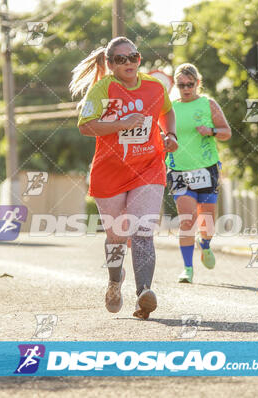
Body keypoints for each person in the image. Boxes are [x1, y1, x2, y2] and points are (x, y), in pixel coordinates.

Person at [71, 36, 177, 319]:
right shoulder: (102, 90)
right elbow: (85, 126)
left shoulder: (154, 87)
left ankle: (144, 293)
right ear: (110, 64)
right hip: (110, 173)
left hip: (149, 166)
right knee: (117, 236)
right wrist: (120, 124)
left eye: (133, 57)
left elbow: (168, 111)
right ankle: (115, 281)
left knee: (143, 231)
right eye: (121, 59)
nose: (129, 63)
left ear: (139, 59)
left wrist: (171, 135)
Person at [166, 63, 232, 284]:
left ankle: (205, 244)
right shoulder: (170, 108)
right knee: (187, 219)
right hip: (178, 169)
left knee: (207, 220)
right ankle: (187, 268)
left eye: (190, 84)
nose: (186, 88)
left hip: (206, 168)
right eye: (181, 84)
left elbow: (226, 132)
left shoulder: (208, 104)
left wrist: (211, 131)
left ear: (198, 83)